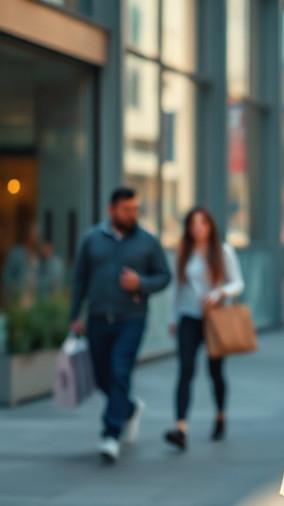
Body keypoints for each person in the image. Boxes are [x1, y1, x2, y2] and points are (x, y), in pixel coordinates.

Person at [69, 187, 172, 464]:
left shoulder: (147, 241)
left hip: (132, 319)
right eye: (127, 209)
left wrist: (142, 283)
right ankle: (128, 407)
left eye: (136, 209)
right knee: (103, 377)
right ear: (111, 210)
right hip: (97, 319)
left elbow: (164, 276)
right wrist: (74, 315)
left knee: (119, 370)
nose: (132, 214)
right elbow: (79, 279)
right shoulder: (92, 239)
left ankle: (110, 435)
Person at [164, 207, 245, 450]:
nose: (197, 227)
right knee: (185, 370)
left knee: (215, 372)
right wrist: (173, 317)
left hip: (215, 319)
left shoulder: (223, 250)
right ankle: (181, 428)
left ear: (210, 226)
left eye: (203, 223)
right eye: (193, 223)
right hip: (189, 317)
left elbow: (238, 283)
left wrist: (221, 292)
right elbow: (179, 286)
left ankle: (220, 415)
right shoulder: (184, 251)